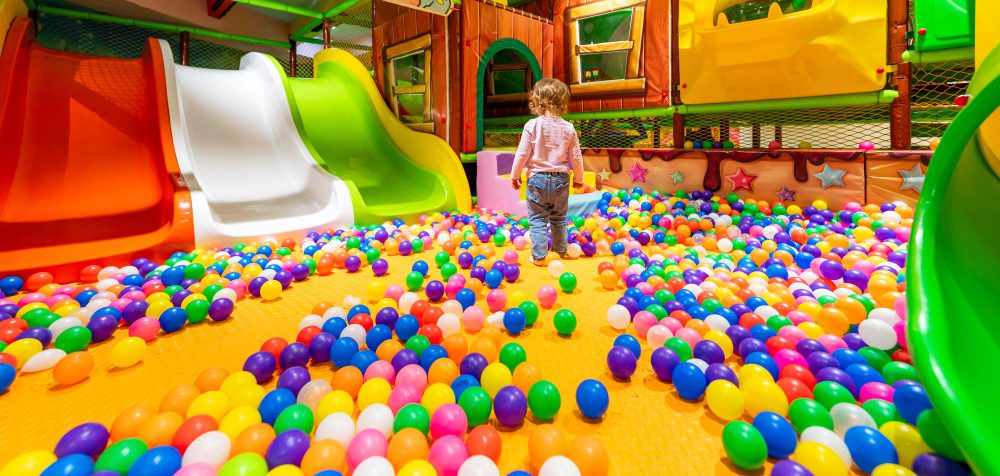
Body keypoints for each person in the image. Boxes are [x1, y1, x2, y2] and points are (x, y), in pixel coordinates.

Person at [510, 78, 584, 266]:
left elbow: (522, 153)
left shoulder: (532, 125)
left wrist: (515, 174)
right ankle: (559, 251)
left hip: (537, 179)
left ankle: (539, 256)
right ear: (563, 103)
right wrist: (579, 178)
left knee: (537, 218)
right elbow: (576, 156)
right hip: (561, 180)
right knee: (559, 218)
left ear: (537, 101)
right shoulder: (569, 128)